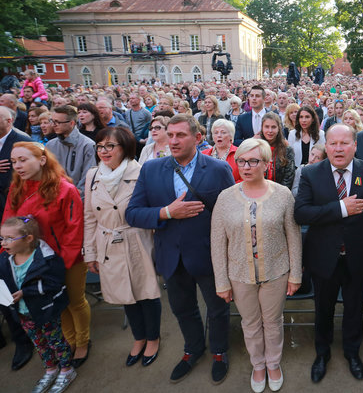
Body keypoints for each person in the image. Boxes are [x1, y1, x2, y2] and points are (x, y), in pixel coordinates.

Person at [125, 114, 235, 384]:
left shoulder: (218, 169)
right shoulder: (151, 169)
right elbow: (132, 214)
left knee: (218, 309)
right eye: (169, 134)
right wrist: (166, 212)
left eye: (180, 135)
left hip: (209, 255)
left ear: (197, 138)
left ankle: (219, 352)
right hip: (170, 256)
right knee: (183, 309)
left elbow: (232, 213)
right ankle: (193, 348)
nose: (173, 140)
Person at [294, 124, 363, 383]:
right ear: (326, 145)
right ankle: (322, 354)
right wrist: (341, 208)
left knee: (354, 309)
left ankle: (352, 353)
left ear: (355, 145)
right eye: (332, 143)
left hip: (358, 258)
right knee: (323, 309)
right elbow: (300, 213)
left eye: (344, 143)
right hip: (323, 259)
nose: (338, 148)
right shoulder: (311, 172)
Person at [211, 138, 302, 392]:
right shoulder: (225, 197)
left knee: (272, 321)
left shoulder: (282, 195)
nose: (246, 166)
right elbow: (217, 243)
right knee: (250, 323)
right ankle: (258, 364)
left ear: (266, 163)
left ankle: (273, 363)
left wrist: (295, 274)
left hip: (276, 271)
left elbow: (293, 237)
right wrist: (222, 281)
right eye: (241, 160)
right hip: (239, 274)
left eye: (253, 161)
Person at [3, 141, 91, 368]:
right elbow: (8, 222)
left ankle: (82, 341)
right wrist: (6, 252)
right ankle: (69, 340)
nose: (18, 166)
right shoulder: (17, 188)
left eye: (23, 160)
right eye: (14, 161)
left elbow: (74, 229)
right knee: (55, 304)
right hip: (33, 261)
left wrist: (63, 262)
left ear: (42, 160)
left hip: (63, 259)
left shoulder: (65, 189)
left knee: (74, 301)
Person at [83, 127, 162, 367]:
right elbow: (89, 217)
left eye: (110, 146)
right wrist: (90, 252)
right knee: (125, 296)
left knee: (146, 292)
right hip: (107, 242)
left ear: (125, 147)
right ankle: (138, 338)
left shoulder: (142, 172)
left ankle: (153, 339)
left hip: (137, 238)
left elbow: (153, 211)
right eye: (100, 146)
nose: (103, 151)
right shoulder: (93, 175)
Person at [0, 216, 77, 392]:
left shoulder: (46, 259)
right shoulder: (5, 260)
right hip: (22, 313)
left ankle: (66, 369)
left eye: (9, 238)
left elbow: (54, 282)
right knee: (39, 343)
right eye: (2, 238)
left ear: (28, 239)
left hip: (45, 311)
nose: (4, 243)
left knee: (56, 341)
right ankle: (50, 369)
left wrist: (26, 292)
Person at [45, 105, 97, 198]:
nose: (53, 125)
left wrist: (73, 197)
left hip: (77, 199)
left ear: (72, 123)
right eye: (52, 121)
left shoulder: (88, 145)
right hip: (53, 198)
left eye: (58, 122)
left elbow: (87, 178)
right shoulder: (50, 145)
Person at [259, 112, 295, 189]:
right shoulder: (256, 148)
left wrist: (278, 194)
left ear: (279, 129)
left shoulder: (287, 150)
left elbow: (288, 177)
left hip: (280, 193)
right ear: (262, 128)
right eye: (267, 127)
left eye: (273, 127)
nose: (270, 130)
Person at [202, 119, 240, 183]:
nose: (219, 135)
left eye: (223, 132)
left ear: (231, 136)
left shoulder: (240, 153)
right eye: (216, 132)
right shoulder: (203, 155)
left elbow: (245, 179)